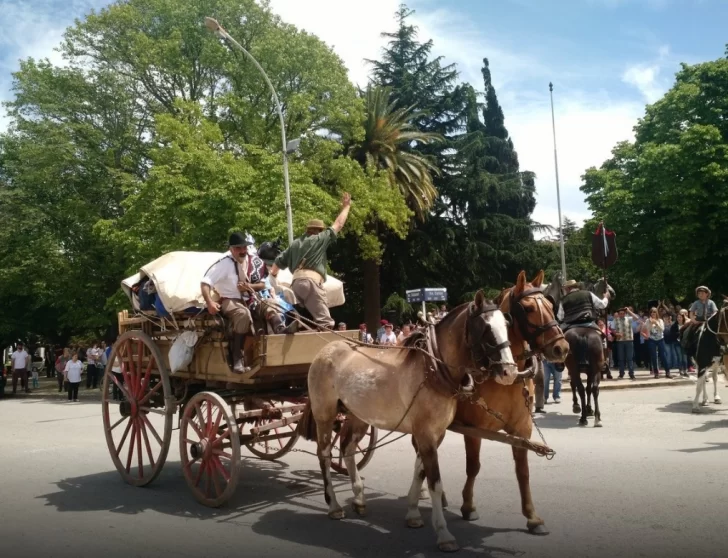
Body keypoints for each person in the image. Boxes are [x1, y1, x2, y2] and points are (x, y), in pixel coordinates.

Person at [269, 192, 352, 330]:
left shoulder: (295, 243)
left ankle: (299, 326)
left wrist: (272, 278)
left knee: (313, 316)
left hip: (296, 284)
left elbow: (277, 263)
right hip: (311, 283)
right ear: (319, 230)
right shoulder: (320, 238)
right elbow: (338, 224)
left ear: (307, 230)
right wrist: (346, 207)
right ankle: (322, 347)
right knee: (326, 322)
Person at [201, 232, 259, 373]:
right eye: (239, 248)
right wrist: (210, 303)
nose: (243, 251)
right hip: (229, 300)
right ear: (231, 249)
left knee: (271, 307)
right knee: (242, 314)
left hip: (248, 298)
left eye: (245, 248)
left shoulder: (250, 261)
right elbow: (205, 283)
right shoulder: (224, 264)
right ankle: (237, 357)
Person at [681, 286, 718, 360]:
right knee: (687, 330)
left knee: (718, 331)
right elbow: (691, 312)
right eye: (699, 293)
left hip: (709, 321)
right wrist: (693, 320)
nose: (700, 294)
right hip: (698, 321)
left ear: (707, 294)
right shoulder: (696, 302)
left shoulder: (711, 302)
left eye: (702, 293)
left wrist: (710, 319)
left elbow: (715, 312)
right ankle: (687, 344)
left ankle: (720, 346)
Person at [641, 307, 671, 379]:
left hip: (660, 339)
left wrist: (656, 323)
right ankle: (656, 372)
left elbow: (662, 329)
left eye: (654, 312)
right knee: (653, 356)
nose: (653, 313)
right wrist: (651, 323)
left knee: (663, 355)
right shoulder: (648, 321)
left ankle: (667, 371)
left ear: (656, 313)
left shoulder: (660, 320)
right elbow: (647, 330)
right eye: (651, 312)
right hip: (652, 339)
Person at [612, 307, 641, 380]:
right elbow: (612, 329)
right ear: (618, 314)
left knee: (630, 358)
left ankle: (631, 374)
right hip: (620, 341)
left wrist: (628, 311)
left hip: (629, 340)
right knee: (621, 358)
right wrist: (616, 334)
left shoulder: (629, 319)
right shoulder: (615, 320)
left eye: (623, 313)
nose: (622, 315)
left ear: (625, 314)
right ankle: (621, 373)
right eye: (620, 314)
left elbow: (637, 318)